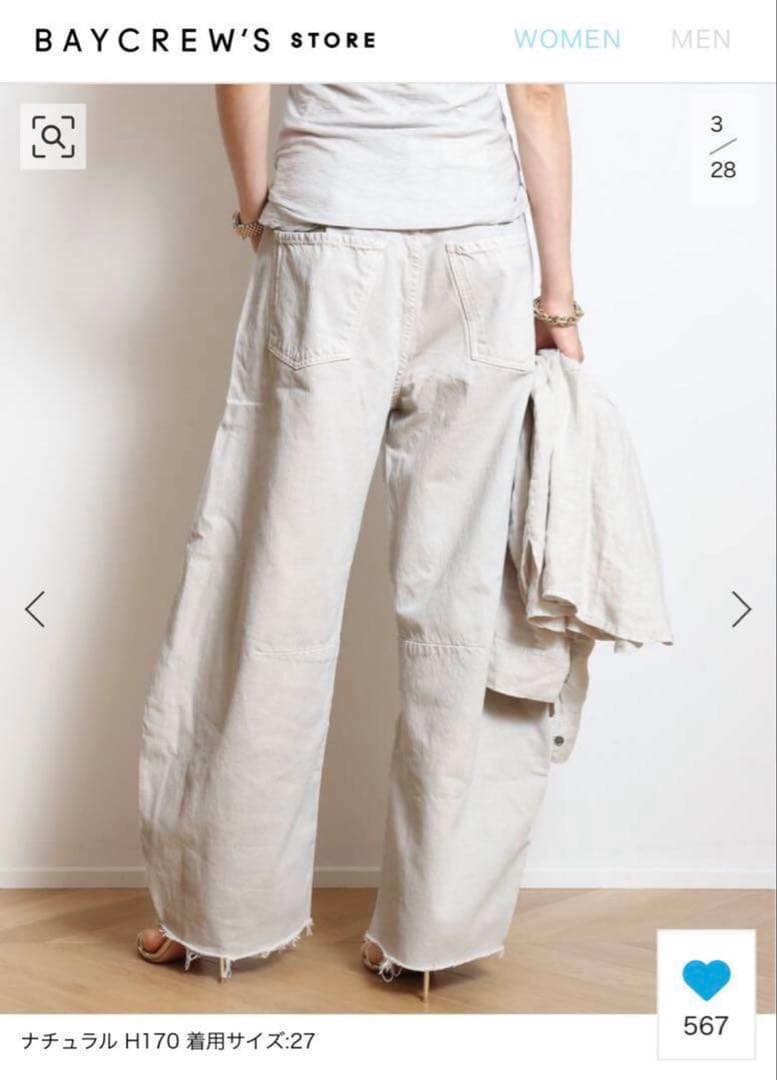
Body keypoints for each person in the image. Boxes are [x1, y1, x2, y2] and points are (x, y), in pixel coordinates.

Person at [136, 83, 584, 991]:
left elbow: (243, 59)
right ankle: (433, 933)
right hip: (478, 248)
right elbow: (536, 89)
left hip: (327, 230)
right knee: (463, 598)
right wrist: (559, 297)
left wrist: (257, 210)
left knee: (272, 582)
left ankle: (220, 914)